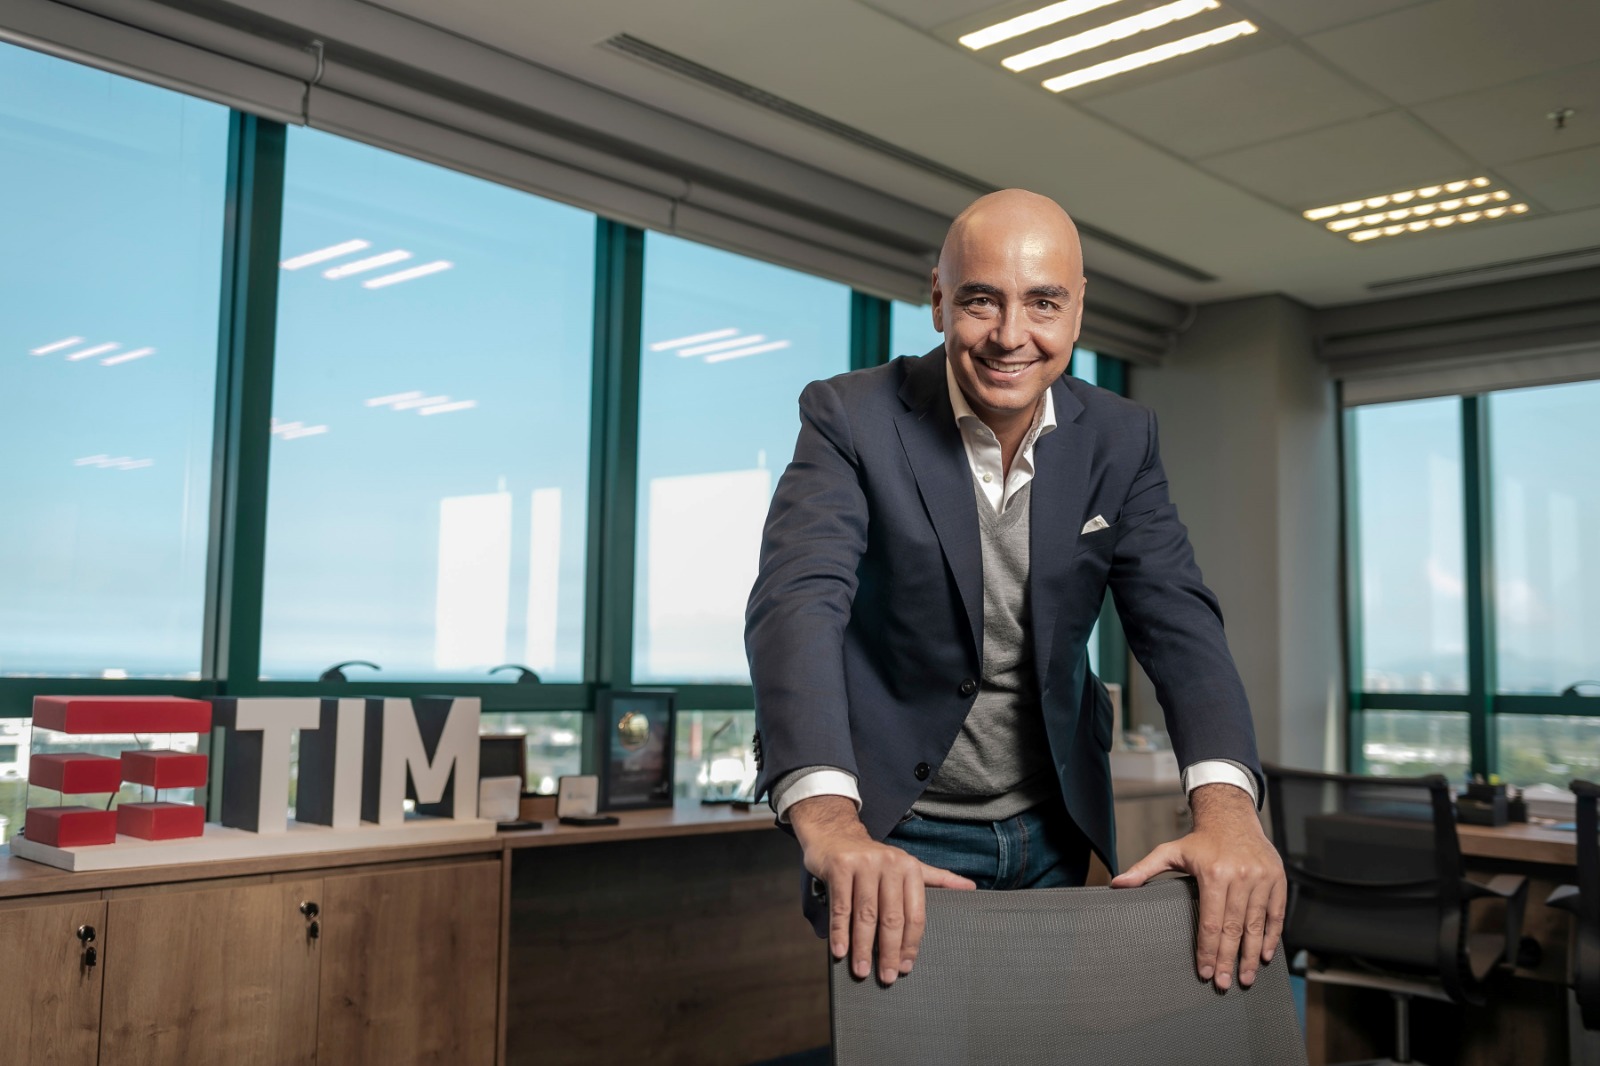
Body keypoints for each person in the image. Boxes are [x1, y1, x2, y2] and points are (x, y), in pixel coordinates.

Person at [745, 188, 1286, 992]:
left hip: (1053, 824)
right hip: (899, 833)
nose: (1010, 334)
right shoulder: (849, 416)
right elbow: (799, 603)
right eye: (980, 300)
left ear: (1077, 310)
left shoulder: (1121, 437)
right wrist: (830, 822)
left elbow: (1179, 622)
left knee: (1041, 1039)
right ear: (938, 301)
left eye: (1043, 302)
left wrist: (1229, 811)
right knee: (912, 1049)